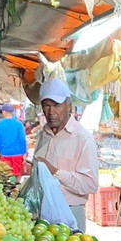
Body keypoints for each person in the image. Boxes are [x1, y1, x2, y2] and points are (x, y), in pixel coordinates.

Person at [34, 78, 99, 232]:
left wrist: (56, 172)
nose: (51, 112)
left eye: (57, 105)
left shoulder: (82, 138)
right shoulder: (43, 134)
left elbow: (90, 184)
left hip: (70, 212)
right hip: (42, 214)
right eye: (46, 106)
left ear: (68, 105)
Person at [0, 104, 27, 176]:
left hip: (5, 154)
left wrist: (0, 151)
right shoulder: (19, 124)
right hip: (17, 153)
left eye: (2, 111)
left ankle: (9, 187)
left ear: (5, 112)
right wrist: (24, 153)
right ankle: (16, 186)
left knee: (6, 174)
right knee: (17, 174)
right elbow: (22, 139)